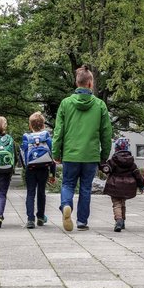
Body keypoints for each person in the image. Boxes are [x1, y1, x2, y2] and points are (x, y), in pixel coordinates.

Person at [52, 65, 112, 232]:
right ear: (90, 83)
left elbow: (58, 131)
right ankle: (82, 221)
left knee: (68, 184)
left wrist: (56, 152)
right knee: (86, 188)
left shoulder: (65, 104)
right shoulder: (100, 105)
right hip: (90, 155)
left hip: (70, 153)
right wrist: (103, 155)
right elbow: (106, 133)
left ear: (76, 83)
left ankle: (66, 205)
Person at [21, 112, 56, 229]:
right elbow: (52, 155)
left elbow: (23, 154)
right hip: (44, 168)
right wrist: (53, 173)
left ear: (30, 125)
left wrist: (25, 167)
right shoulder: (46, 136)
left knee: (30, 193)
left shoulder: (26, 137)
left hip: (30, 169)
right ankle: (40, 217)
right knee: (41, 192)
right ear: (43, 125)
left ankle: (30, 219)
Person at [102, 138, 144, 232]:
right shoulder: (131, 162)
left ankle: (119, 220)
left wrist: (102, 165)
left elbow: (107, 169)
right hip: (127, 187)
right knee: (122, 203)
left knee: (116, 204)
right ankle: (123, 221)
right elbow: (137, 174)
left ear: (116, 148)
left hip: (115, 185)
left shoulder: (113, 160)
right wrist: (141, 185)